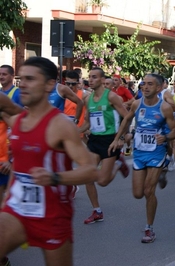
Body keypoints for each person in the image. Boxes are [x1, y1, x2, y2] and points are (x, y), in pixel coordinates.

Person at [0, 56, 98, 266]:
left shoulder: (61, 126)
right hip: (16, 209)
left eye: (30, 79)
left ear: (49, 85)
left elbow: (91, 170)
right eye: (21, 79)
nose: (23, 84)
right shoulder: (17, 120)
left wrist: (55, 177)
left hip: (52, 215)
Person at [108, 73, 175, 243]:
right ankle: (163, 171)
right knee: (138, 194)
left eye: (150, 84)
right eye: (143, 84)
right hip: (140, 152)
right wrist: (119, 139)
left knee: (148, 191)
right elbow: (126, 120)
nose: (145, 87)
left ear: (159, 88)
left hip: (156, 152)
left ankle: (149, 229)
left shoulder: (165, 108)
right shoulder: (137, 104)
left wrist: (166, 138)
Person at [79, 67, 129, 225]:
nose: (91, 80)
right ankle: (97, 211)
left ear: (101, 80)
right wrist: (75, 131)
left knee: (102, 181)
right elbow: (87, 121)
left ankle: (118, 163)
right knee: (88, 176)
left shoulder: (112, 97)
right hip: (94, 140)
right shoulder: (88, 99)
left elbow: (126, 117)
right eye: (90, 77)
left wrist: (120, 137)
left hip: (109, 140)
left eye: (94, 77)